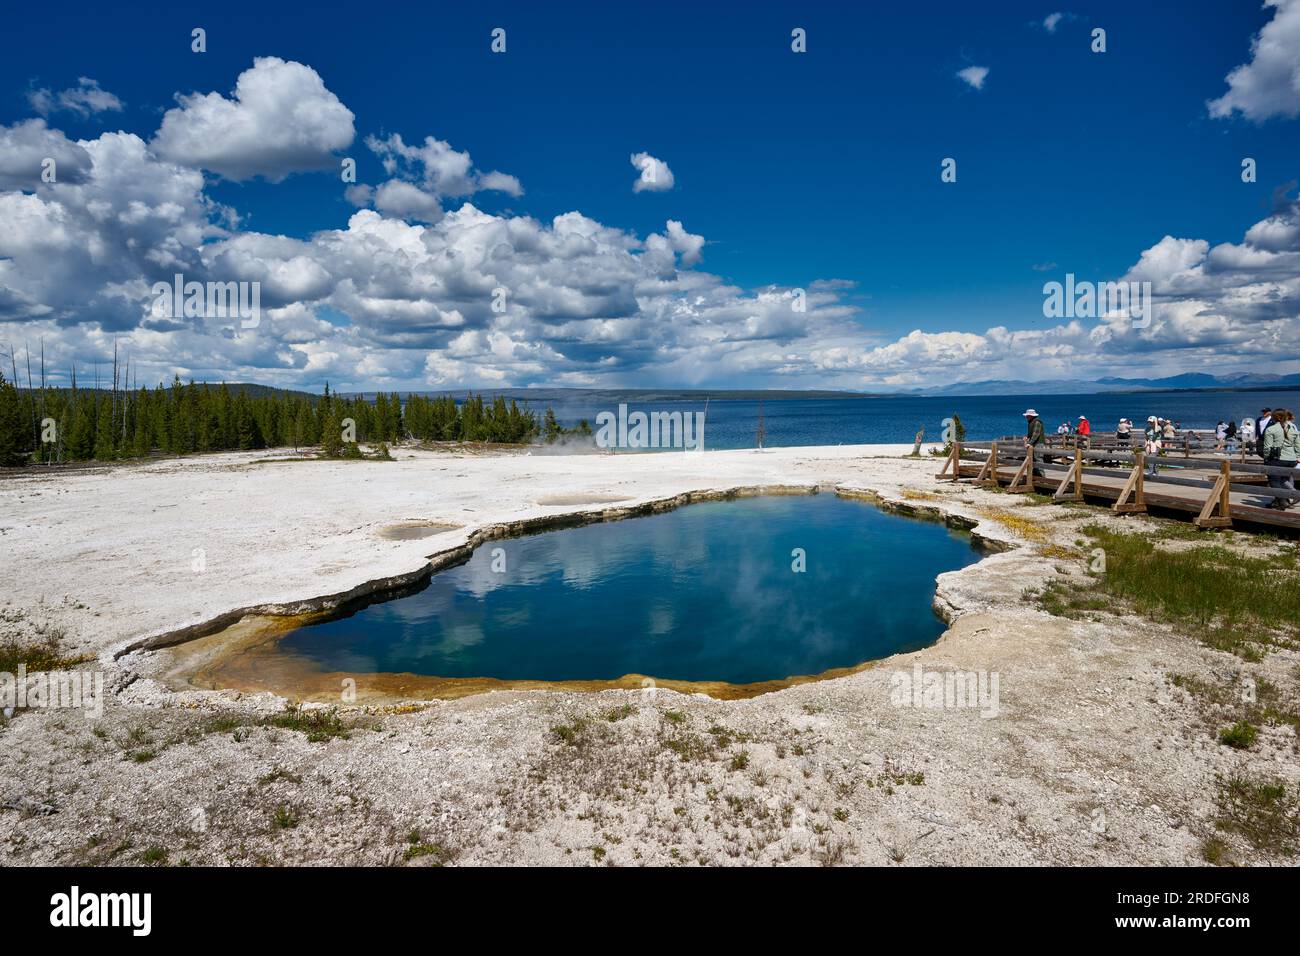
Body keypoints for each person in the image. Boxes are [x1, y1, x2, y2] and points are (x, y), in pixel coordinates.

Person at [1261, 408, 1299, 509]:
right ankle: (1281, 501)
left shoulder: (1271, 429)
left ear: (1274, 418)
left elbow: (1267, 447)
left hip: (1278, 459)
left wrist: (1266, 458)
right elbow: (1298, 446)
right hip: (1291, 460)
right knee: (1284, 480)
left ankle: (1282, 502)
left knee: (1274, 481)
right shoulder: (1293, 429)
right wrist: (1297, 458)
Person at [1024, 408, 1046, 475]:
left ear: (1031, 416)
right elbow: (1031, 433)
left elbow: (1036, 434)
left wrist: (1029, 443)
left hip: (1038, 443)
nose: (1026, 417)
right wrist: (1027, 437)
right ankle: (1035, 475)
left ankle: (1042, 476)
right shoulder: (1031, 422)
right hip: (1034, 443)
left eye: (1027, 416)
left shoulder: (1037, 422)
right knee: (1033, 459)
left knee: (1038, 458)